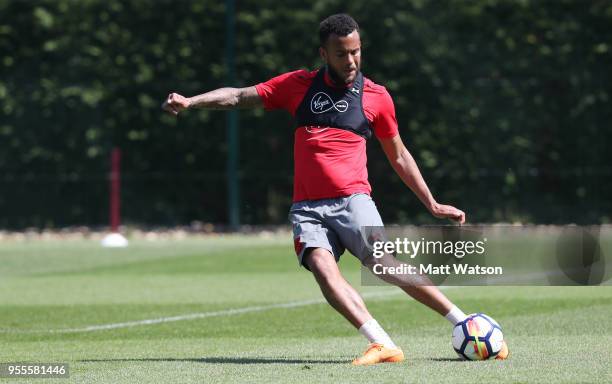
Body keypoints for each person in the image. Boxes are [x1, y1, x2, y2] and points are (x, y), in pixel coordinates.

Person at [162, 13, 508, 365]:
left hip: (352, 201)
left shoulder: (376, 97)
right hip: (307, 208)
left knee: (384, 264)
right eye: (341, 54)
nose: (351, 61)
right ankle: (382, 343)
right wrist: (192, 101)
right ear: (323, 54)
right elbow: (237, 96)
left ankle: (463, 320)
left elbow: (400, 156)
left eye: (356, 52)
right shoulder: (297, 85)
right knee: (322, 269)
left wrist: (432, 203)